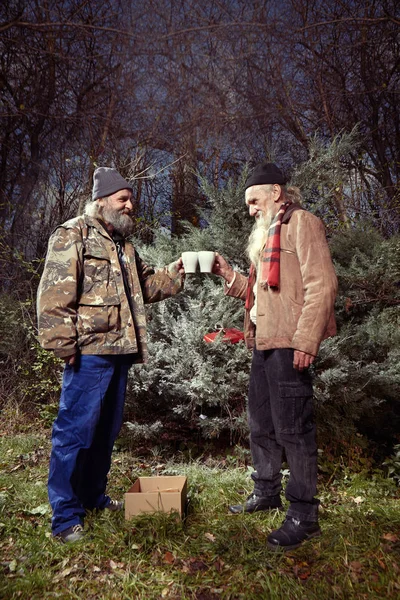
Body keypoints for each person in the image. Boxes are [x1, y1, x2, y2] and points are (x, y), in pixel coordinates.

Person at [37, 167, 184, 543]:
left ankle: (92, 497)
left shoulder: (123, 245)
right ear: (102, 200)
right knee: (75, 432)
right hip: (88, 353)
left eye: (130, 199)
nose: (130, 205)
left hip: (120, 352)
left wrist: (178, 271)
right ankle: (65, 517)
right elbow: (53, 294)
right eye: (123, 199)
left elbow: (147, 286)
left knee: (104, 432)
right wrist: (64, 345)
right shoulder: (73, 234)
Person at [212, 162, 337, 551]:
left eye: (253, 200)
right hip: (263, 342)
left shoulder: (303, 223)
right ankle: (266, 492)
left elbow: (322, 285)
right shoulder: (268, 235)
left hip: (289, 342)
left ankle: (304, 515)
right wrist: (227, 273)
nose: (249, 209)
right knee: (261, 424)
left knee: (295, 431)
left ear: (276, 193)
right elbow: (259, 291)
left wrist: (306, 341)